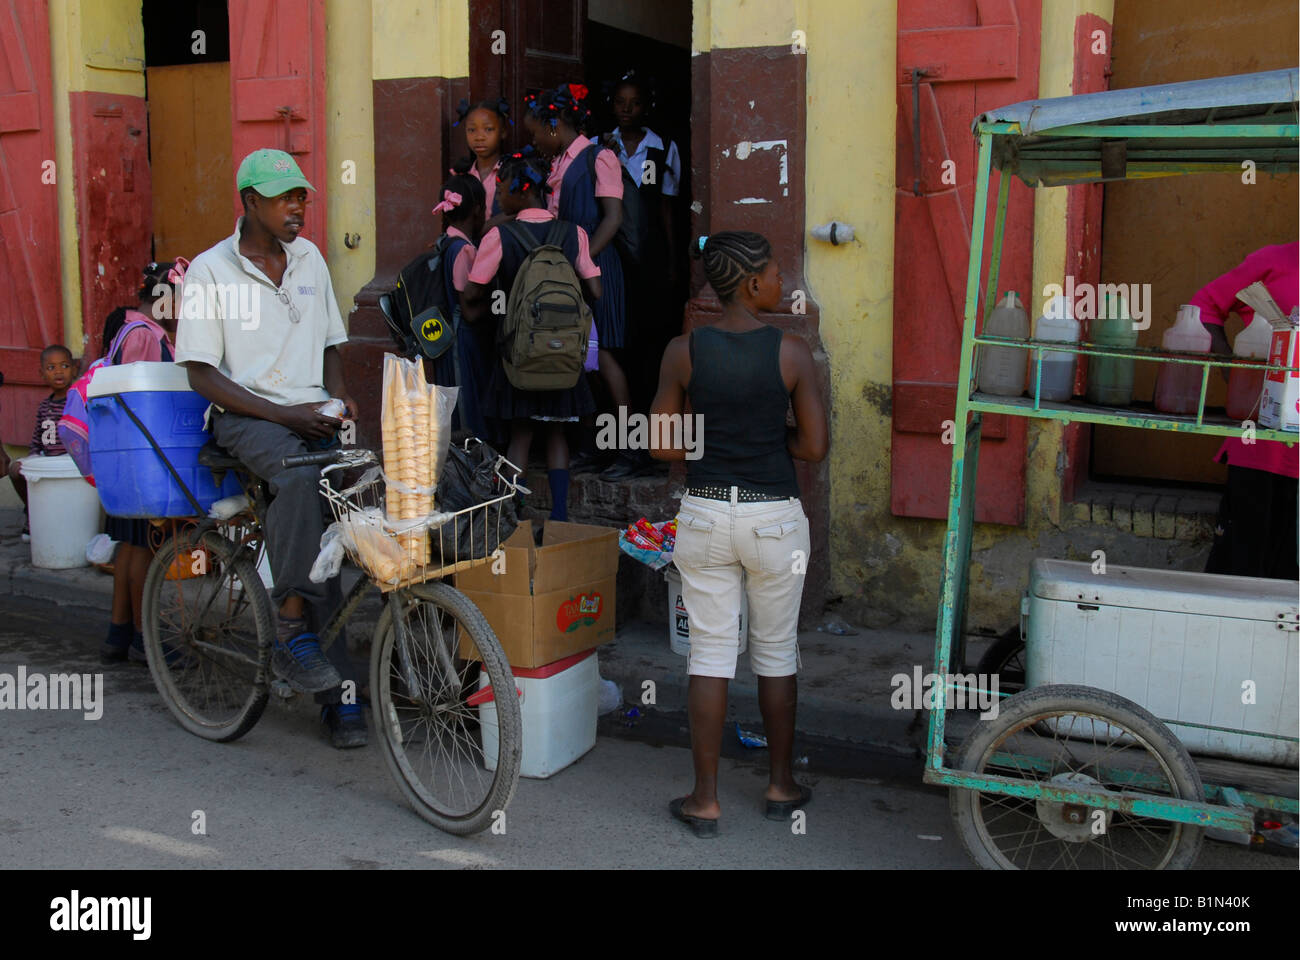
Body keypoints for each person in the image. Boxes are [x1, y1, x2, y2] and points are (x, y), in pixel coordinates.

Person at [175, 148, 366, 749]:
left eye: (303, 196)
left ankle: (340, 679)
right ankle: (292, 631)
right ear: (250, 202)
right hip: (246, 415)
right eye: (286, 198)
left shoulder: (309, 258)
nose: (298, 208)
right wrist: (284, 412)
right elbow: (201, 374)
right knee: (301, 480)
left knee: (349, 511)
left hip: (309, 411)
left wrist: (337, 397)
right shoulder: (210, 271)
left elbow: (333, 344)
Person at [650, 231, 828, 837]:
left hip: (703, 516)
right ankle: (780, 785)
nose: (784, 283)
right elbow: (813, 446)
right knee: (776, 655)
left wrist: (715, 438)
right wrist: (765, 438)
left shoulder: (683, 350)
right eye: (777, 273)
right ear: (754, 284)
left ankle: (705, 800)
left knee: (710, 655)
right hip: (774, 518)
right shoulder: (793, 352)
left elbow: (661, 443)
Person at [461, 152, 602, 521]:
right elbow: (597, 291)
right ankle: (559, 517)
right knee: (557, 435)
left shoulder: (500, 236)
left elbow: (475, 291)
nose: (498, 197)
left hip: (517, 353)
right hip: (563, 354)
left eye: (502, 189)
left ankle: (514, 515)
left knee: (520, 435)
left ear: (522, 191)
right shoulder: (574, 234)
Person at [524, 83, 635, 481]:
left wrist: (581, 260)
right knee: (582, 358)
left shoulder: (598, 157)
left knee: (603, 355)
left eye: (536, 131)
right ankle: (593, 445)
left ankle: (627, 449)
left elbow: (613, 218)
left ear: (554, 127)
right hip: (571, 271)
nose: (533, 140)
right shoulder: (558, 164)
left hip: (597, 268)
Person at [1191, 240, 1299, 580]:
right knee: (1240, 575)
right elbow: (1203, 308)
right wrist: (1237, 373)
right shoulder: (1275, 261)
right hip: (1262, 452)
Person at [98, 261, 184, 663]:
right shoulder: (145, 336)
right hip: (140, 456)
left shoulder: (132, 327)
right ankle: (144, 635)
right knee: (144, 547)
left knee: (129, 544)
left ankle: (118, 634)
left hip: (126, 456)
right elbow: (137, 400)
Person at [603, 70, 683, 447]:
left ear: (646, 106)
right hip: (612, 261)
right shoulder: (601, 146)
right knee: (613, 345)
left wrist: (670, 262)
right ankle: (615, 437)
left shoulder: (663, 147)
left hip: (648, 259)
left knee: (647, 342)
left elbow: (667, 207)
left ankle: (647, 437)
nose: (627, 110)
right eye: (620, 102)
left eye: (634, 103)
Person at [425, 173, 490, 440]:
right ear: (476, 209)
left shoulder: (443, 243)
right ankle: (470, 468)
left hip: (444, 339)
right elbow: (469, 310)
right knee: (465, 412)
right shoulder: (463, 250)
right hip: (460, 344)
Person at [7, 344, 75, 540]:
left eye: (64, 366)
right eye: (51, 368)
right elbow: (37, 440)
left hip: (70, 463)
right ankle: (33, 513)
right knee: (15, 469)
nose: (58, 372)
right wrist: (33, 460)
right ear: (42, 374)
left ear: (74, 369)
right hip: (47, 461)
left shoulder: (77, 401)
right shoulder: (44, 406)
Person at [452, 98, 512, 220]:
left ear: (503, 132)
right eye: (472, 130)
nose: (479, 137)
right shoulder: (462, 175)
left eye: (488, 129)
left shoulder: (512, 172)